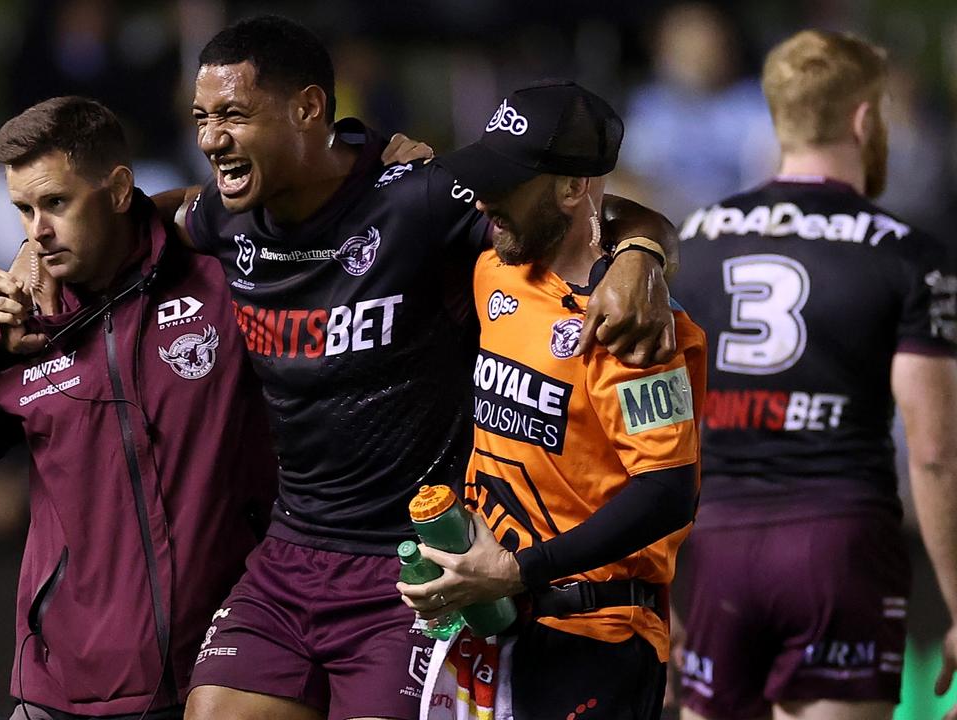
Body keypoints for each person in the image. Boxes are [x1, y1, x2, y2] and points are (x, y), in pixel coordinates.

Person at [154, 16, 683, 720]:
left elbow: (588, 213)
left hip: (416, 564)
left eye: (232, 114)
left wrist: (642, 252)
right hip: (292, 555)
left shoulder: (429, 207)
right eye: (202, 117)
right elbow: (153, 215)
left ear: (309, 109)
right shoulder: (226, 217)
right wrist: (47, 247)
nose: (210, 138)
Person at [0, 96, 277, 720]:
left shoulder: (219, 274)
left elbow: (294, 195)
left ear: (119, 188)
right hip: (63, 691)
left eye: (56, 203)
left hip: (217, 678)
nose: (36, 231)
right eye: (23, 209)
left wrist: (374, 155)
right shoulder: (21, 326)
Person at [671, 30, 957, 720]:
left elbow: (657, 422)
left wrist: (657, 583)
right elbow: (934, 450)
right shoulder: (908, 254)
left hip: (718, 548)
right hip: (839, 544)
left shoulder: (691, 242)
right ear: (865, 119)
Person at [398, 80, 706, 719]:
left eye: (507, 181)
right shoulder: (496, 267)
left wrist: (519, 571)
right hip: (490, 624)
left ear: (571, 189)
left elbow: (670, 490)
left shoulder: (631, 320)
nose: (485, 198)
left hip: (594, 635)